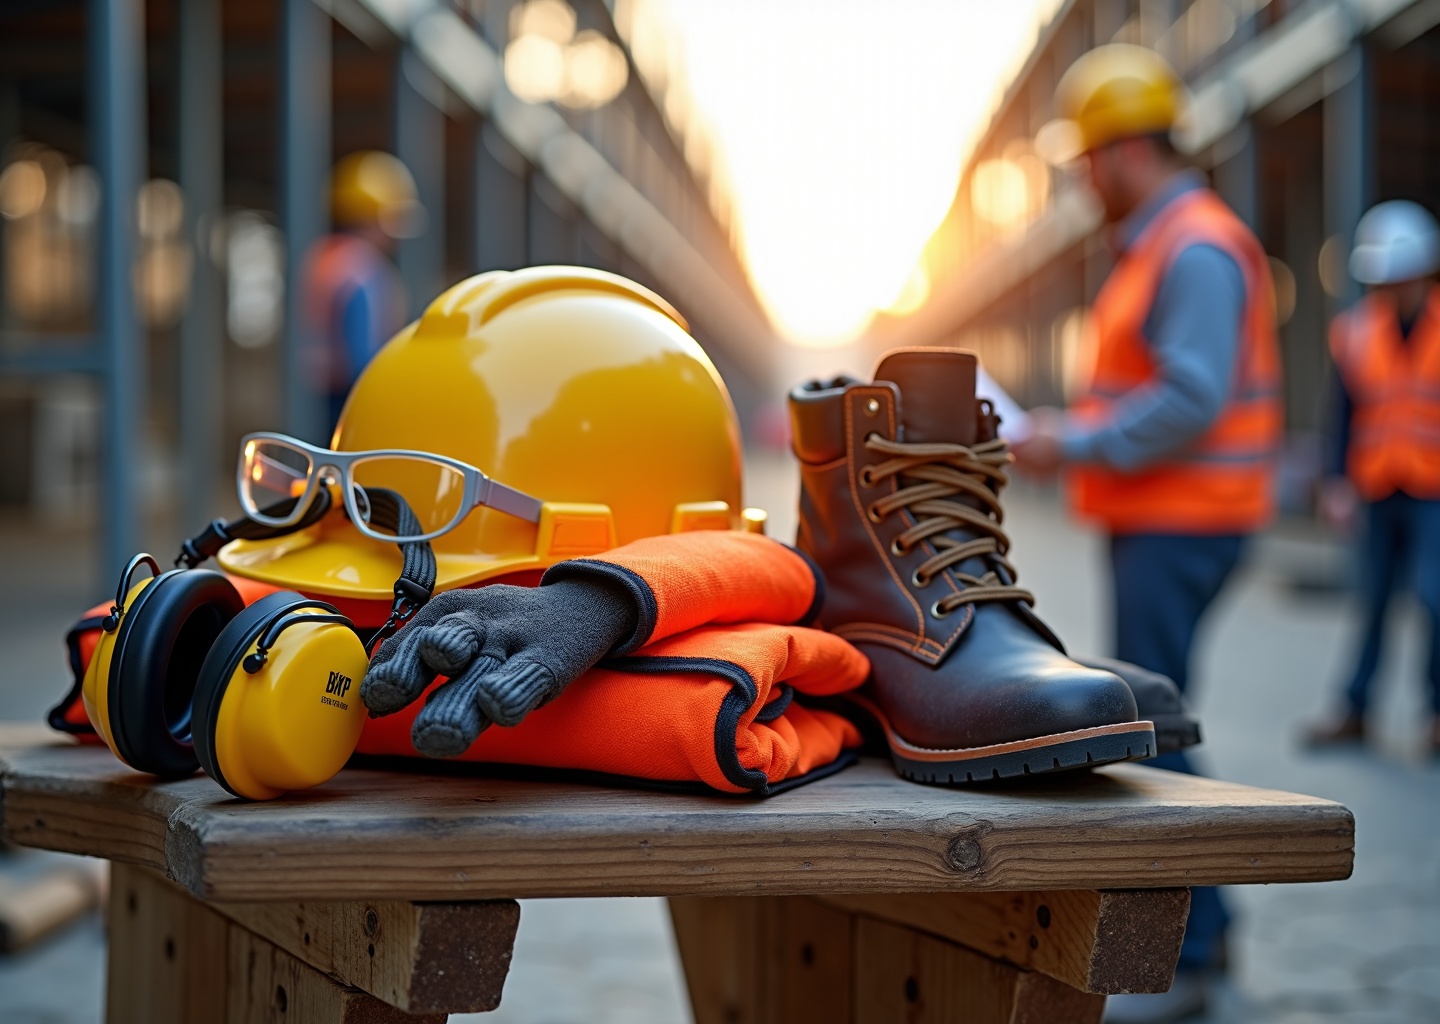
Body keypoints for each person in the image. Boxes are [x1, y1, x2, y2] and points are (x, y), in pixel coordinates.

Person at [1011, 44, 1283, 1024]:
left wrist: (1067, 440)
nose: (1085, 184)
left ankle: (1201, 949)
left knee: (1151, 728)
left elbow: (1191, 397)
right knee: (1155, 717)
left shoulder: (1194, 247)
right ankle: (1202, 944)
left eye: (1086, 162)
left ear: (1123, 151)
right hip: (1162, 521)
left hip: (1186, 521)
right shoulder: (1168, 244)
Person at [1305, 200, 1440, 755]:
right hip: (1378, 485)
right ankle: (1357, 708)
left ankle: (1435, 714)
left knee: (1435, 599)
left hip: (1433, 489)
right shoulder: (1357, 332)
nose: (1391, 288)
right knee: (1372, 599)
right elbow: (1340, 414)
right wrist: (1335, 482)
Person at [304, 151, 421, 428]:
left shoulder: (319, 258)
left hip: (310, 399)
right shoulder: (365, 270)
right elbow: (365, 360)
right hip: (349, 402)